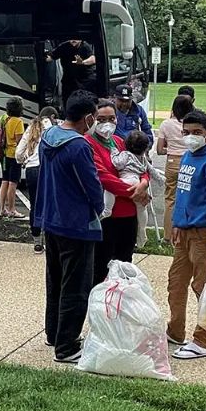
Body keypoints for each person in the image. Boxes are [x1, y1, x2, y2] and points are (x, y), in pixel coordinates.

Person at [35, 91, 105, 363]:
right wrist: (99, 208)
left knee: (55, 280)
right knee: (76, 286)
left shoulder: (48, 138)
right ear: (88, 117)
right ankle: (66, 346)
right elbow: (91, 186)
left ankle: (55, 332)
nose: (96, 122)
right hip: (76, 223)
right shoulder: (78, 146)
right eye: (96, 117)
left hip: (52, 219)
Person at [166, 110, 206, 360]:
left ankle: (202, 340)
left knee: (203, 287)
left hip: (204, 234)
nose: (191, 137)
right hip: (184, 232)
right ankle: (175, 330)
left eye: (197, 133)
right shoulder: (188, 157)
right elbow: (183, 195)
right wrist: (177, 223)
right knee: (176, 283)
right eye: (186, 133)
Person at [86, 99, 151, 282]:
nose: (107, 124)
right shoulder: (88, 143)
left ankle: (121, 304)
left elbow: (142, 165)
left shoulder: (120, 141)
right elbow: (104, 177)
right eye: (101, 119)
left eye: (111, 118)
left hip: (129, 214)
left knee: (125, 264)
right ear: (92, 119)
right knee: (101, 266)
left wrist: (144, 184)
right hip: (107, 217)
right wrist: (136, 191)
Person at [104, 130, 164, 248]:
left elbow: (117, 164)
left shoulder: (125, 154)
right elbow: (150, 170)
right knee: (142, 210)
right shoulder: (142, 158)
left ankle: (107, 209)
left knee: (109, 191)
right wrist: (160, 179)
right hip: (137, 182)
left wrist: (114, 152)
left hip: (126, 180)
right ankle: (142, 233)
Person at [16, 106, 59, 254]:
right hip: (48, 168)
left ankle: (37, 242)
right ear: (52, 117)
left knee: (35, 204)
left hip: (32, 170)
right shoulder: (54, 128)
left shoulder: (31, 128)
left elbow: (18, 153)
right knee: (50, 204)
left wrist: (24, 160)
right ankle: (50, 239)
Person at [156, 95, 194, 241]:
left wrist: (171, 149)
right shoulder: (191, 124)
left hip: (172, 161)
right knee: (189, 198)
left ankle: (168, 235)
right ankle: (185, 234)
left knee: (170, 199)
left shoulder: (166, 124)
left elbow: (159, 149)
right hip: (189, 161)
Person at [0, 96, 26, 218]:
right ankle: (12, 209)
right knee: (13, 183)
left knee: (4, 181)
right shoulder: (18, 122)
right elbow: (19, 140)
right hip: (14, 155)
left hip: (4, 154)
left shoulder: (4, 118)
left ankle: (2, 209)